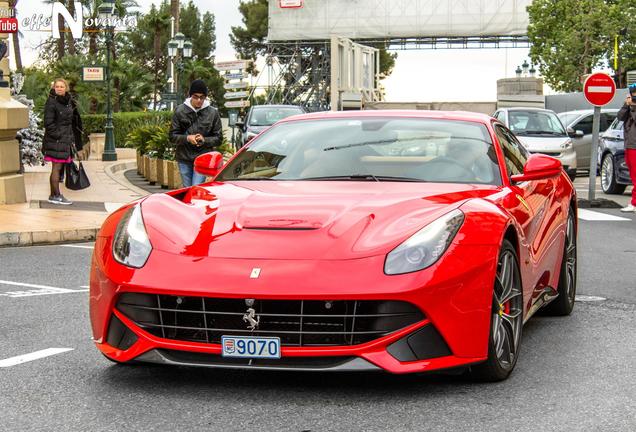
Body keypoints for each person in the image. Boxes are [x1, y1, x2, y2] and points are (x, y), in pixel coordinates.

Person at [169, 79, 223, 187]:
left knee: (196, 187)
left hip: (202, 158)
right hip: (184, 157)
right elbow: (172, 136)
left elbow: (218, 138)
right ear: (190, 96)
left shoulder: (213, 113)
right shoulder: (179, 111)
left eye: (202, 97)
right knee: (187, 188)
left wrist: (204, 140)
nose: (198, 100)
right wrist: (188, 138)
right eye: (195, 96)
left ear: (205, 97)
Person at [42, 78, 83, 205]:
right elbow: (48, 123)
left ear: (66, 88)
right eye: (57, 86)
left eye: (62, 86)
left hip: (66, 140)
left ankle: (53, 195)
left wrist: (72, 140)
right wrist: (59, 136)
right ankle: (57, 195)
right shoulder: (51, 102)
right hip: (56, 140)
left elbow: (73, 122)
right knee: (57, 168)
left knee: (57, 168)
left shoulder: (69, 102)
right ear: (54, 88)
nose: (59, 88)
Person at [618, 84, 636, 212]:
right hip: (630, 145)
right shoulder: (630, 106)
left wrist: (633, 106)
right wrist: (627, 105)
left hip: (634, 145)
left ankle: (634, 203)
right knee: (633, 174)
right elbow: (620, 117)